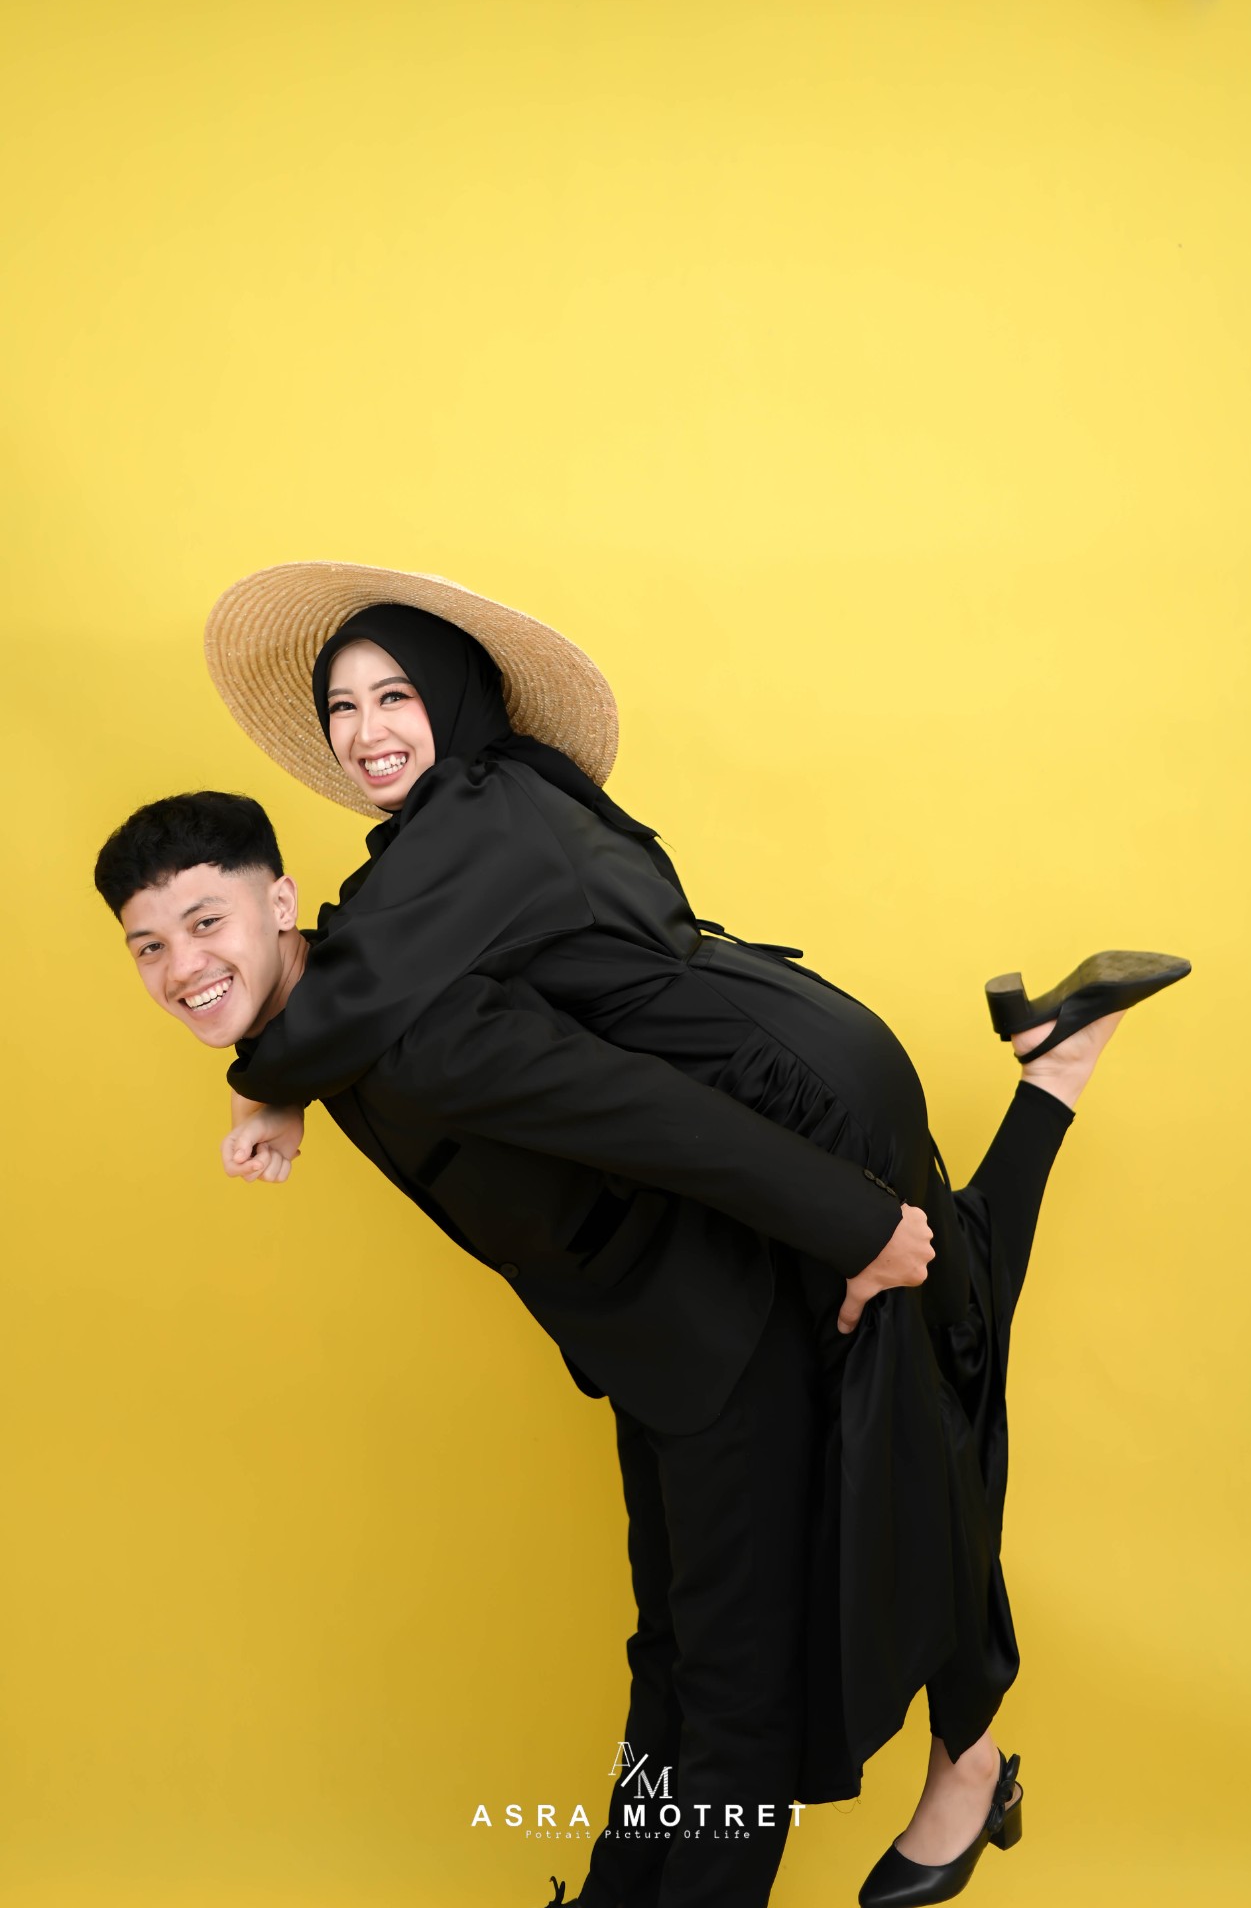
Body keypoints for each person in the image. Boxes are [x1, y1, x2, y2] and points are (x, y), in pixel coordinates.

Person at [107, 557, 1190, 1908]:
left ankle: (965, 1752)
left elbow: (643, 1110)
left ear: (280, 902)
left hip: (776, 1175)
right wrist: (278, 1079)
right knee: (705, 1627)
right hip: (681, 1314)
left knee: (830, 1548)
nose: (182, 967)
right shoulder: (395, 930)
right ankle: (1057, 1074)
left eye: (204, 922)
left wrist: (854, 1224)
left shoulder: (441, 931)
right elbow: (340, 974)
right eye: (147, 948)